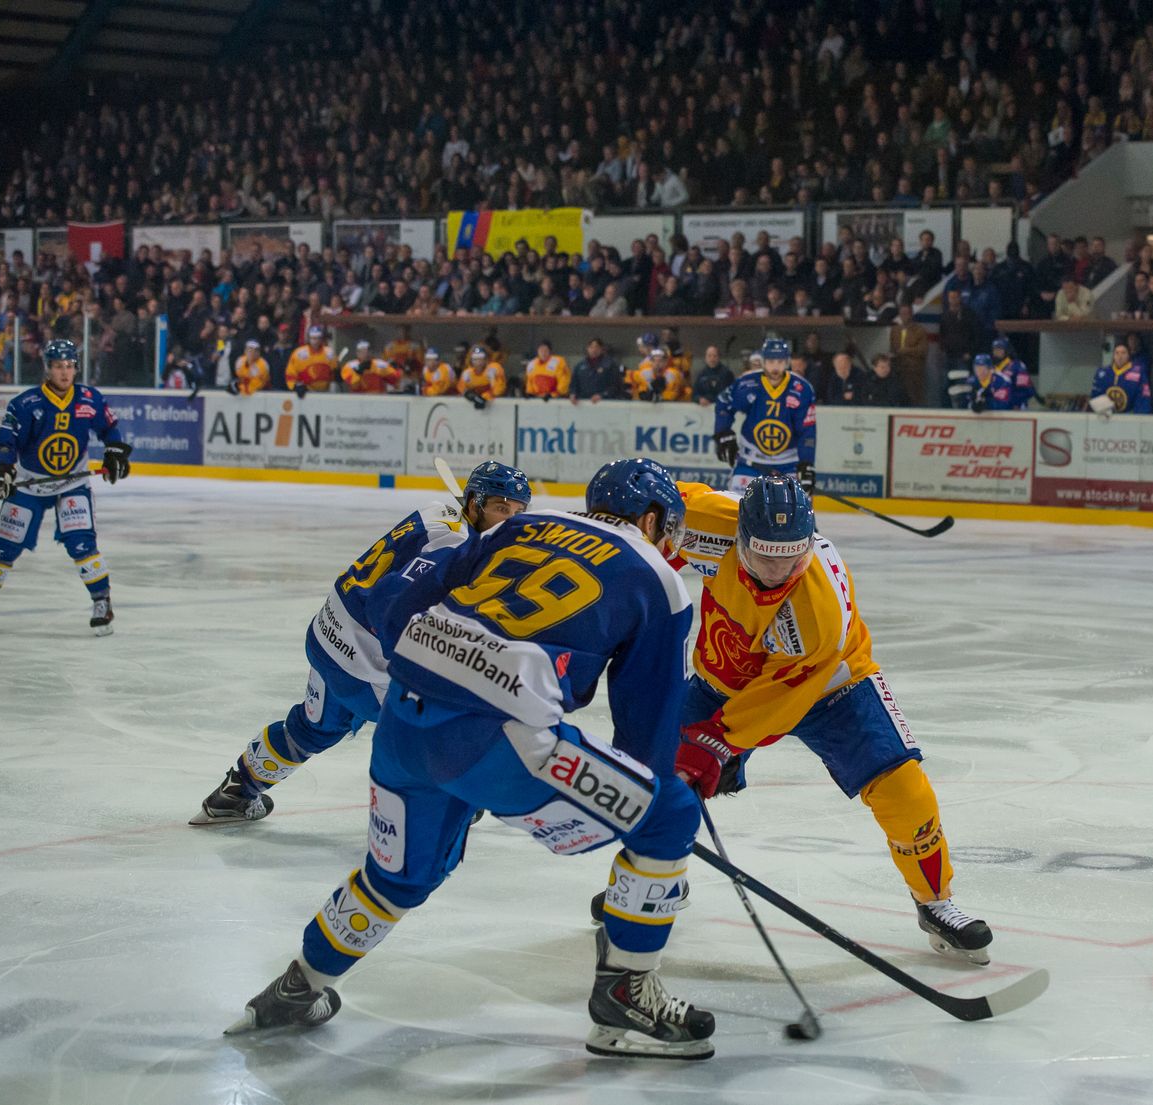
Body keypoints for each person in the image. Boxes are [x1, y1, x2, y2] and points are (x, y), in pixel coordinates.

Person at [228, 458, 717, 1060]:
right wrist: (646, 818)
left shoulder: (521, 525)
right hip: (498, 739)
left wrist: (444, 660)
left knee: (400, 874)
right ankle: (626, 991)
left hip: (404, 719)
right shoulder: (659, 581)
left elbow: (395, 597)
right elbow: (646, 730)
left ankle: (300, 985)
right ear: (650, 517)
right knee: (668, 812)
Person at [618, 475, 993, 962]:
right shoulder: (707, 521)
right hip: (724, 677)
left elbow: (786, 696)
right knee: (658, 779)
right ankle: (660, 881)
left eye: (793, 558)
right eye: (766, 557)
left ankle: (936, 902)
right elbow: (652, 509)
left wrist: (719, 742)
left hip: (833, 684)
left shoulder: (820, 610)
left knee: (904, 789)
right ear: (741, 538)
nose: (779, 571)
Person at [190, 463, 530, 825]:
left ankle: (235, 791)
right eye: (501, 508)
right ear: (475, 503)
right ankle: (441, 806)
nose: (509, 520)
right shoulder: (454, 545)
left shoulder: (439, 511)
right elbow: (396, 603)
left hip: (328, 634)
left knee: (313, 726)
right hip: (366, 662)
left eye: (517, 512)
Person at [0, 338, 132, 631]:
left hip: (70, 484)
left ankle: (102, 601)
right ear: (47, 369)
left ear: (76, 368)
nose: (64, 373)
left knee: (81, 544)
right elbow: (6, 442)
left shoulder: (89, 399)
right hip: (29, 484)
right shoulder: (26, 404)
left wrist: (115, 452)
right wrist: (3, 471)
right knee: (4, 548)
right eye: (57, 366)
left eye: (69, 366)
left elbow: (110, 429)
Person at [712, 337, 817, 494]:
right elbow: (723, 403)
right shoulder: (747, 383)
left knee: (796, 513)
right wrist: (723, 432)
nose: (775, 367)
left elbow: (807, 430)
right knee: (737, 509)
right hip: (750, 461)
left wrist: (806, 463)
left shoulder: (802, 389)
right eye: (771, 361)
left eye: (780, 362)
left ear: (787, 362)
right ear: (763, 361)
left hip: (788, 464)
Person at [1090, 341, 1150, 413]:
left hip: (1129, 417)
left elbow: (1143, 398)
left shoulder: (1138, 373)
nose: (1120, 356)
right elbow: (1096, 396)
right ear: (1113, 355)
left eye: (1123, 353)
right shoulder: (1102, 373)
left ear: (1128, 355)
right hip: (1106, 418)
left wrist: (1138, 418)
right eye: (1117, 353)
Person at [286, 325, 337, 396]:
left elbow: (334, 374)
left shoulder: (329, 353)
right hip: (306, 394)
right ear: (309, 338)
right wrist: (295, 386)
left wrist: (337, 375)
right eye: (313, 338)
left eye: (318, 338)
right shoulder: (299, 353)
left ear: (322, 339)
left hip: (325, 393)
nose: (316, 341)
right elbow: (290, 374)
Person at [990, 337, 1034, 408]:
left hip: (1015, 407)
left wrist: (1016, 403)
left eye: (1000, 349)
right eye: (995, 349)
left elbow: (1027, 390)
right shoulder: (991, 368)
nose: (997, 352)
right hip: (998, 407)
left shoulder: (1017, 366)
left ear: (1006, 350)